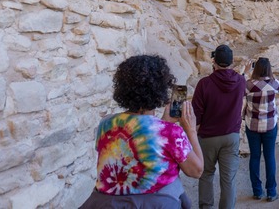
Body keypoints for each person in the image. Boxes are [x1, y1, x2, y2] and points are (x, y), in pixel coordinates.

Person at [80, 55, 204, 208]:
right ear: (160, 89)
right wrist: (190, 130)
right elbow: (196, 171)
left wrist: (163, 123)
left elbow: (139, 137)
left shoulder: (105, 124)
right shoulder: (169, 132)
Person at [193, 44, 246, 209]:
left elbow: (197, 113)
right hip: (231, 135)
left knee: (206, 174)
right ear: (231, 62)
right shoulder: (240, 81)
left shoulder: (204, 83)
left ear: (214, 61)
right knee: (228, 178)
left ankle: (206, 206)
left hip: (208, 136)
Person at [244, 57, 279, 202]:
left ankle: (257, 191)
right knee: (269, 157)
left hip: (252, 125)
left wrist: (246, 72)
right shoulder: (273, 84)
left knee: (254, 157)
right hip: (270, 125)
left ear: (256, 68)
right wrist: (270, 74)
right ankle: (271, 192)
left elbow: (238, 89)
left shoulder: (248, 85)